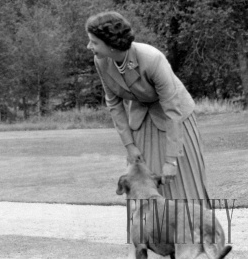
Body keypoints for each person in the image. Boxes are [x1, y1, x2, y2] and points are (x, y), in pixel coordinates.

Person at [85, 11, 210, 204]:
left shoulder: (152, 58)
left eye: (94, 42)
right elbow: (114, 104)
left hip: (176, 121)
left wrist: (171, 160)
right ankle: (150, 232)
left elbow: (172, 110)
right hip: (142, 121)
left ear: (110, 44)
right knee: (144, 182)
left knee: (181, 184)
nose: (89, 46)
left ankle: (192, 230)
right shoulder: (101, 61)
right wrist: (130, 146)